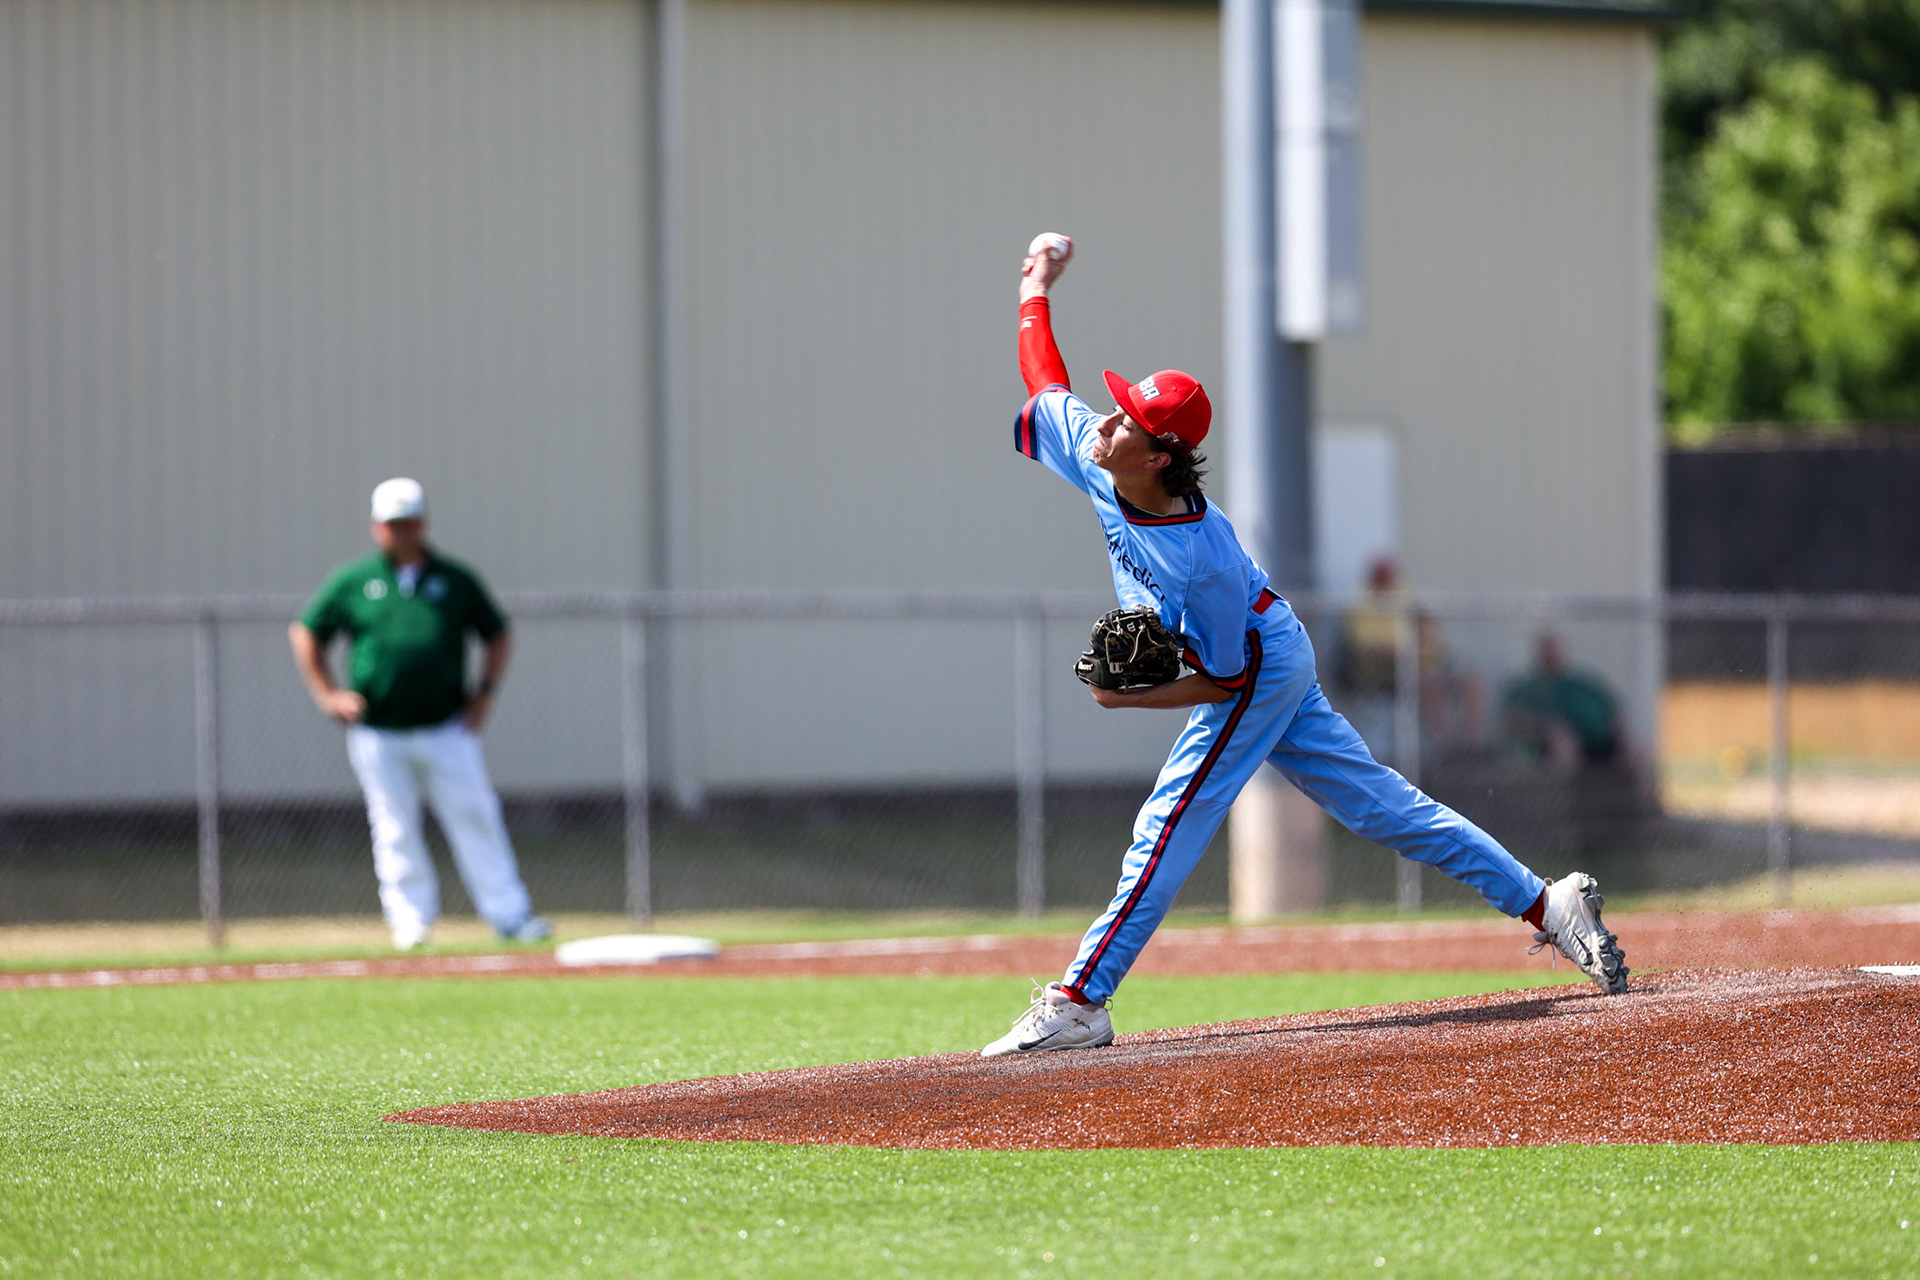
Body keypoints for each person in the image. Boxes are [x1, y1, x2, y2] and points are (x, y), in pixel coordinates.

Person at [982, 237, 1627, 1057]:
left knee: (1171, 817)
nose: (1105, 424)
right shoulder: (1107, 462)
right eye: (1117, 409)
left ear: (1160, 456)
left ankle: (1080, 998)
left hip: (1253, 660)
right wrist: (1034, 287)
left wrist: (1129, 695)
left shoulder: (1201, 560)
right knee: (1384, 808)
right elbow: (1045, 382)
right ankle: (1548, 904)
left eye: (1129, 421)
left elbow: (1225, 680)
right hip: (1264, 647)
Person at [289, 478, 550, 951]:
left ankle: (510, 915)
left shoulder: (454, 580)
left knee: (475, 816)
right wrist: (328, 693)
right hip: (379, 731)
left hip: (447, 727)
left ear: (423, 523)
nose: (399, 532)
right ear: (376, 527)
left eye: (407, 522)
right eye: (391, 524)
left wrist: (485, 693)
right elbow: (307, 631)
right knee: (393, 825)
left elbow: (497, 632)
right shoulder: (355, 581)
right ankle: (410, 921)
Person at [1504, 631, 1624, 769]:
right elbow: (1513, 719)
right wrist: (1548, 726)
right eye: (1546, 651)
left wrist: (1623, 735)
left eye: (1554, 649)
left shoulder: (1582, 683)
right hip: (1553, 743)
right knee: (1563, 744)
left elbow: (1613, 709)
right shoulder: (1528, 688)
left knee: (1639, 753)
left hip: (1600, 742)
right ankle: (1567, 789)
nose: (1550, 655)